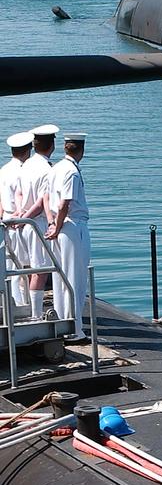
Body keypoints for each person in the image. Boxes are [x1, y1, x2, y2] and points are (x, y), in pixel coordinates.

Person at [46, 133, 91, 342]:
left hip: (59, 224)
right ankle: (74, 329)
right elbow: (65, 202)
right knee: (76, 277)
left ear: (65, 148)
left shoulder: (55, 168)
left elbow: (47, 198)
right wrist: (59, 224)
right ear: (81, 150)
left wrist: (53, 223)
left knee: (60, 277)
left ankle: (62, 322)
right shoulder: (72, 172)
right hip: (73, 226)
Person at [18, 124, 58, 320]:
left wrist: (19, 214)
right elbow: (42, 201)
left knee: (27, 268)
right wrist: (27, 217)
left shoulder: (26, 165)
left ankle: (26, 307)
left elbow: (19, 193)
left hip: (23, 223)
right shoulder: (47, 169)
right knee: (40, 271)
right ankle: (35, 314)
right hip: (37, 223)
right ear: (52, 145)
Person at [0, 131, 32, 306]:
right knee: (23, 267)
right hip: (19, 222)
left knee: (10, 265)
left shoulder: (3, 170)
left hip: (5, 220)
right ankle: (22, 304)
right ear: (28, 151)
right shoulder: (22, 171)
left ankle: (11, 301)